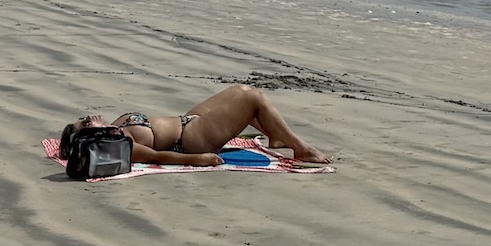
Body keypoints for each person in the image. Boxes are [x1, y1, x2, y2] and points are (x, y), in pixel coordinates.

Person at [63, 83, 334, 167]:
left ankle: (277, 136)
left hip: (188, 121)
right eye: (86, 122)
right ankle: (300, 148)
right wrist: (198, 159)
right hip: (191, 140)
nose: (91, 116)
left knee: (241, 90)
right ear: (88, 137)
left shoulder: (115, 128)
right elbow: (156, 157)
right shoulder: (119, 145)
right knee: (254, 98)